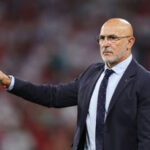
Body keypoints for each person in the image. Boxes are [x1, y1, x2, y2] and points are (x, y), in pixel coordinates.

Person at [0, 18, 150, 150]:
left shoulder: (144, 81)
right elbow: (54, 96)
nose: (106, 44)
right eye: (102, 38)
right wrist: (10, 82)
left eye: (113, 38)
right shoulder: (92, 74)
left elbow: (146, 139)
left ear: (130, 42)